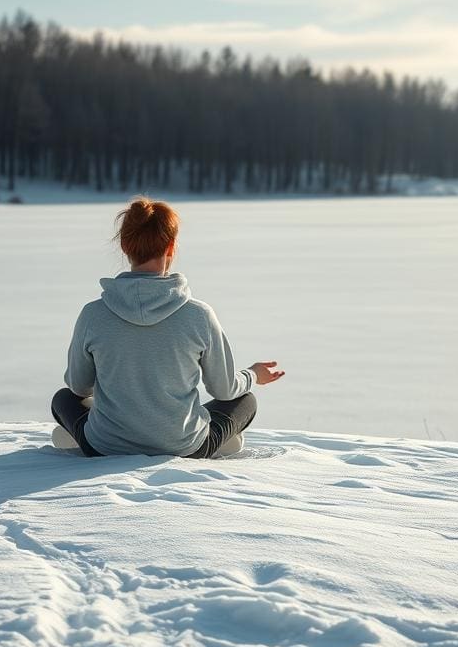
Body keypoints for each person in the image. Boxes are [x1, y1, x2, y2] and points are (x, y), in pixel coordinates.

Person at [50, 196, 284, 458]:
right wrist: (253, 374)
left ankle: (78, 438)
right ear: (171, 246)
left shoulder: (93, 314)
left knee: (63, 399)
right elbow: (225, 389)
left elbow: (79, 388)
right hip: (184, 448)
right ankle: (217, 443)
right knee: (245, 400)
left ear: (125, 246)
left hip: (104, 447)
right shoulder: (199, 315)